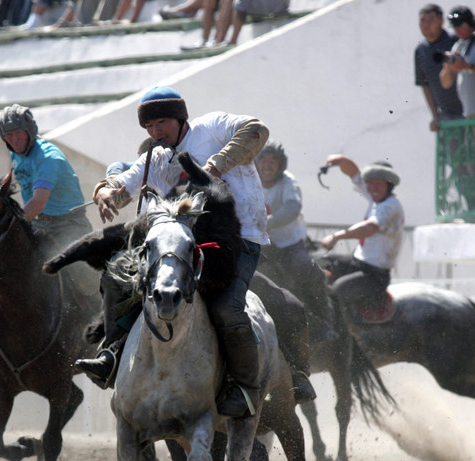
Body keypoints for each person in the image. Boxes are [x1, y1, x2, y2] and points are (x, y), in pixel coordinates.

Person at [83, 86, 315, 417]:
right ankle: (113, 356)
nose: (155, 132)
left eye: (161, 123)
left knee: (227, 310)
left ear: (180, 118)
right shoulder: (158, 156)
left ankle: (246, 388)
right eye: (148, 127)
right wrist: (105, 192)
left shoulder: (212, 126)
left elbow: (257, 130)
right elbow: (123, 186)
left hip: (237, 241)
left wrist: (214, 167)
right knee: (120, 283)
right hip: (179, 248)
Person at [0, 104, 95, 352]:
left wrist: (12, 229)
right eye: (8, 136)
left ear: (30, 131)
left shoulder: (48, 157)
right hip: (38, 222)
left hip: (68, 224)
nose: (14, 140)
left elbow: (39, 201)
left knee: (83, 272)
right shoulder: (16, 153)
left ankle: (103, 326)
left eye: (19, 134)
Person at [254, 140, 334, 342]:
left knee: (307, 268)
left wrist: (266, 224)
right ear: (256, 162)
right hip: (262, 245)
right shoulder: (249, 180)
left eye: (273, 160)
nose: (268, 165)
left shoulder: (288, 182)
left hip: (290, 245)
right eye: (263, 160)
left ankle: (325, 323)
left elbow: (293, 208)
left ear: (281, 165)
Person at [318, 157, 404, 323]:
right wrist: (339, 161)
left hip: (374, 274)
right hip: (357, 262)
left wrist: (337, 236)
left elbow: (370, 228)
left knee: (337, 292)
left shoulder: (391, 206)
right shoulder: (376, 196)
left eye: (378, 184)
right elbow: (355, 173)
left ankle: (340, 340)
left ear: (388, 186)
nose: (372, 188)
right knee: (320, 263)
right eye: (370, 183)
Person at [414, 3, 463, 131]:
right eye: (423, 20)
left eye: (431, 20)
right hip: (447, 117)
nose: (426, 25)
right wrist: (435, 115)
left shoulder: (455, 41)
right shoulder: (420, 51)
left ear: (441, 21)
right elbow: (424, 84)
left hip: (469, 112)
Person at [439, 5, 475, 121]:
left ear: (470, 23)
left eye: (460, 26)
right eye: (454, 27)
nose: (457, 30)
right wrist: (448, 66)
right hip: (468, 113)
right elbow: (446, 84)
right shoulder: (458, 46)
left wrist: (467, 66)